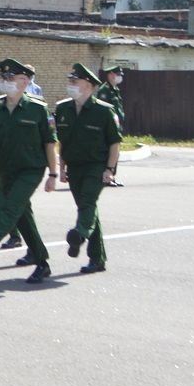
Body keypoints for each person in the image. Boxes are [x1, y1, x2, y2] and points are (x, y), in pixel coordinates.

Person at [0, 57, 58, 281]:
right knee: (22, 217)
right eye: (6, 77)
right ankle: (42, 262)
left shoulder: (38, 109)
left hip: (30, 169)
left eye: (14, 78)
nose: (8, 81)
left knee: (10, 207)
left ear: (26, 81)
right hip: (4, 170)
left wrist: (53, 174)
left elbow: (49, 142)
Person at [55, 62, 123, 274]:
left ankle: (79, 234)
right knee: (88, 209)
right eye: (70, 81)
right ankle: (97, 258)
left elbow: (115, 142)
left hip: (97, 166)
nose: (72, 84)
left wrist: (110, 169)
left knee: (87, 203)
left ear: (90, 86)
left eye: (76, 81)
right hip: (75, 167)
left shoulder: (105, 111)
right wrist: (62, 167)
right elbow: (62, 141)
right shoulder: (63, 108)